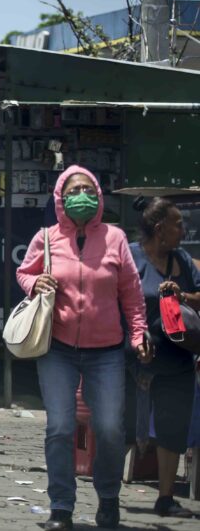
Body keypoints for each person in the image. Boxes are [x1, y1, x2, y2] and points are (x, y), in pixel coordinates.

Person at [16, 165, 150, 531]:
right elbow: (24, 272)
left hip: (106, 352)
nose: (81, 195)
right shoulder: (46, 237)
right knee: (59, 427)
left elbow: (132, 295)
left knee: (108, 429)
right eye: (74, 189)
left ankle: (108, 499)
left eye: (88, 189)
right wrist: (34, 283)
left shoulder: (115, 238)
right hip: (57, 348)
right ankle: (61, 507)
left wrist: (138, 335)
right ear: (60, 197)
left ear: (99, 197)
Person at [128, 198, 198, 519]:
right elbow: (118, 297)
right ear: (160, 229)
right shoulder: (131, 255)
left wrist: (182, 295)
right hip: (137, 358)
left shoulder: (181, 259)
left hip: (177, 358)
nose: (182, 229)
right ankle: (107, 495)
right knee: (123, 425)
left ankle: (166, 498)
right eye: (177, 224)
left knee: (173, 428)